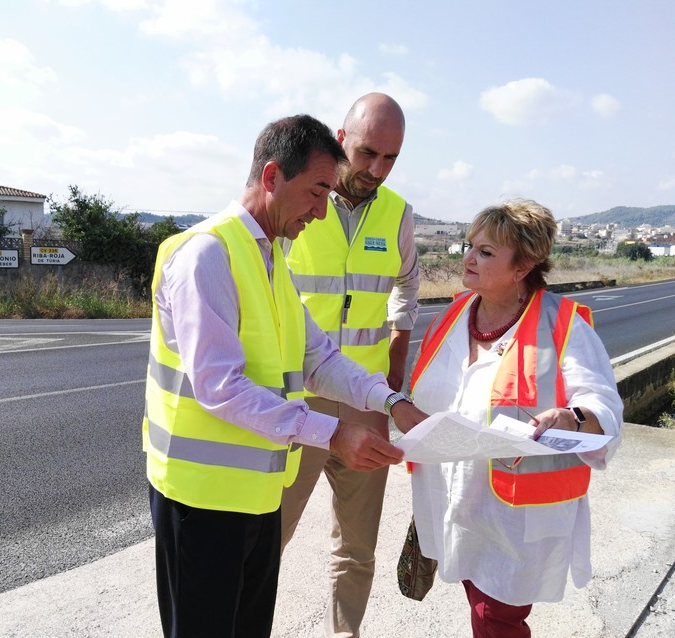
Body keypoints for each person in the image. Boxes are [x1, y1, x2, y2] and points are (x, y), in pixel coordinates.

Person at [143, 113, 425, 638]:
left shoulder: (269, 256)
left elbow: (318, 358)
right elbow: (220, 388)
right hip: (201, 503)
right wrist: (332, 434)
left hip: (256, 495)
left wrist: (391, 402)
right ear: (272, 176)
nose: (321, 212)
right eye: (317, 193)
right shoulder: (208, 254)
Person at [408, 199, 624, 637]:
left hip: (514, 517)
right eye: (470, 246)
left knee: (497, 619)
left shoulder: (563, 324)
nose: (468, 258)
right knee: (481, 609)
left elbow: (604, 408)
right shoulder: (452, 316)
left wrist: (572, 417)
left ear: (522, 267)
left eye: (486, 252)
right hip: (453, 499)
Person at [279, 92, 420, 637]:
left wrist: (399, 345)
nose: (377, 170)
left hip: (366, 400)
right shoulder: (298, 203)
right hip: (298, 399)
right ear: (341, 139)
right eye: (367, 153)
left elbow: (407, 282)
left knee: (357, 548)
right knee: (269, 537)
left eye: (391, 159)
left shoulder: (397, 213)